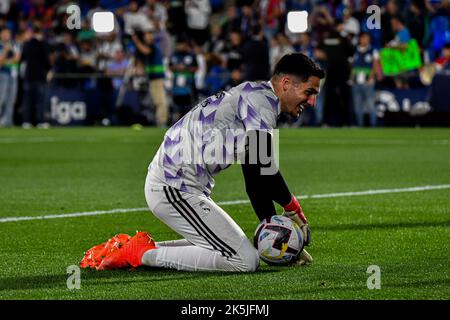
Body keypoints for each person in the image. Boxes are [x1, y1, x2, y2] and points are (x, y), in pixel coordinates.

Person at [81, 53, 324, 272]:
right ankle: (142, 254)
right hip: (173, 186)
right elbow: (263, 166)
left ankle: (135, 247)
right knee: (244, 260)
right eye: (309, 92)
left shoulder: (257, 97)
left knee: (227, 245)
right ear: (285, 84)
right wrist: (292, 208)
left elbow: (255, 176)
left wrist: (276, 234)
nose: (311, 102)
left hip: (183, 185)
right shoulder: (261, 102)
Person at [132, 31, 169, 127]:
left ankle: (162, 122)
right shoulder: (151, 47)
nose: (146, 38)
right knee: (157, 101)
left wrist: (136, 41)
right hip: (153, 79)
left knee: (160, 100)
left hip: (157, 79)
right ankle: (159, 121)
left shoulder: (153, 46)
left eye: (148, 36)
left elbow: (145, 50)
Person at [20, 26, 51, 129]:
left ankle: (26, 121)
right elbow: (47, 61)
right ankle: (41, 121)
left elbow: (22, 59)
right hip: (40, 76)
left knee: (27, 101)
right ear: (40, 33)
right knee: (40, 101)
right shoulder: (43, 45)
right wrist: (48, 70)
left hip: (28, 76)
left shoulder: (27, 44)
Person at [352, 32, 378, 127]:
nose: (365, 40)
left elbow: (375, 65)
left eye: (367, 38)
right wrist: (352, 79)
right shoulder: (356, 50)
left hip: (368, 82)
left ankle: (374, 125)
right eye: (364, 38)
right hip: (357, 82)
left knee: (371, 105)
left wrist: (371, 78)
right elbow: (353, 66)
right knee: (358, 106)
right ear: (360, 39)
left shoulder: (372, 50)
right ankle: (360, 126)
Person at [0, 27, 20, 127]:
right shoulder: (1, 46)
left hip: (13, 74)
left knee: (11, 99)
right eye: (4, 33)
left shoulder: (14, 44)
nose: (7, 35)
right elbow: (0, 63)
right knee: (1, 98)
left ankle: (8, 121)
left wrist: (7, 61)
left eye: (8, 33)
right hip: (2, 74)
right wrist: (5, 51)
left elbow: (17, 59)